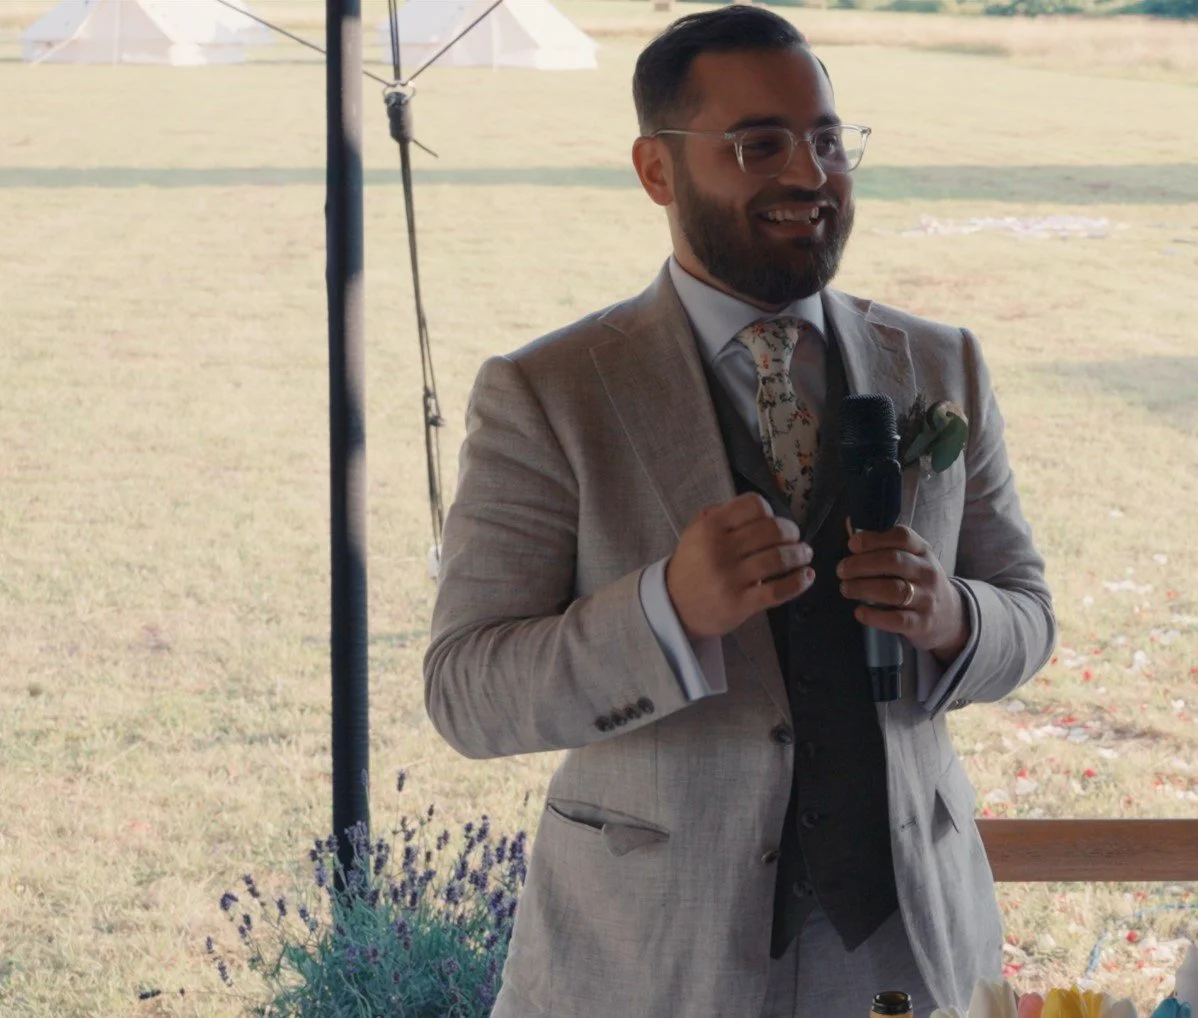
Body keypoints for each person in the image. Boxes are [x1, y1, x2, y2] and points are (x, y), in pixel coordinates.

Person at [420, 8, 1055, 1015]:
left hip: (904, 944)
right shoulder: (550, 393)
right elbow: (466, 691)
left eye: (828, 139)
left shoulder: (940, 364)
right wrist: (665, 610)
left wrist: (955, 619)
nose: (811, 174)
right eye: (761, 143)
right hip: (653, 953)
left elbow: (1027, 614)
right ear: (657, 171)